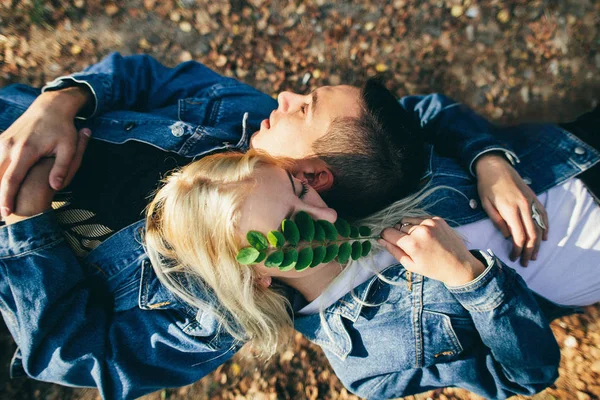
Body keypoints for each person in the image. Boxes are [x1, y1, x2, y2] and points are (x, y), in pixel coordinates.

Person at [0, 53, 597, 398]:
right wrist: (471, 282)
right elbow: (525, 372)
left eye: (297, 187)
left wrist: (487, 157)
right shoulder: (369, 356)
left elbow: (406, 123)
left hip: (573, 151)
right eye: (291, 210)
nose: (280, 97)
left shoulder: (290, 160)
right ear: (251, 279)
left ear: (310, 176)